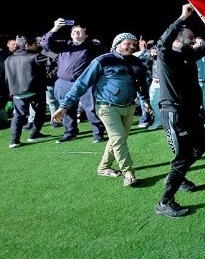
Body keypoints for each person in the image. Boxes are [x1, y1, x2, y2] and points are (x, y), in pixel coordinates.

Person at [51, 33, 151, 186]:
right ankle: (129, 172)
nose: (132, 47)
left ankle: (104, 167)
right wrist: (64, 106)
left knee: (117, 139)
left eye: (134, 44)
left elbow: (141, 82)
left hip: (129, 106)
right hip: (106, 107)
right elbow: (81, 83)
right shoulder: (102, 60)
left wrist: (145, 100)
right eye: (128, 43)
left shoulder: (136, 61)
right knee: (118, 139)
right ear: (117, 44)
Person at [155, 4, 205, 218]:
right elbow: (162, 42)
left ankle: (178, 178)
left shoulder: (189, 56)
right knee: (182, 157)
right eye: (190, 37)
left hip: (191, 112)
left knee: (201, 147)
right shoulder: (167, 56)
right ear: (178, 39)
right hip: (175, 113)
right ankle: (165, 201)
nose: (193, 40)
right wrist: (181, 19)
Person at [41, 19, 107, 144]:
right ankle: (70, 132)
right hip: (63, 83)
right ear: (71, 34)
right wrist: (55, 28)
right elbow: (45, 44)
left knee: (91, 109)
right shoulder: (63, 45)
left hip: (85, 84)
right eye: (74, 31)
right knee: (66, 109)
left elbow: (102, 61)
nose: (76, 32)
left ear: (86, 35)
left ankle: (98, 133)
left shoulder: (92, 47)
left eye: (79, 31)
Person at [5, 36, 51, 147]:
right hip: (35, 91)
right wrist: (45, 49)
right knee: (39, 113)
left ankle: (14, 140)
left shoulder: (8, 59)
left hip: (17, 92)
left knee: (18, 116)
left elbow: (7, 78)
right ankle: (35, 134)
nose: (37, 45)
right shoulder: (35, 56)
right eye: (35, 44)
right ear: (27, 45)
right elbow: (53, 59)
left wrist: (11, 90)